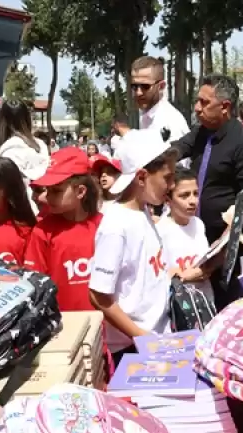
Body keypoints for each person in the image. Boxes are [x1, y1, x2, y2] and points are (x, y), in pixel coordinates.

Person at [171, 74, 243, 309]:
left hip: (224, 260)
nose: (196, 108)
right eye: (197, 101)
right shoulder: (201, 132)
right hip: (191, 246)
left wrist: (210, 265)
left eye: (204, 102)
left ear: (225, 107)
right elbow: (176, 150)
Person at [89, 129, 178, 367]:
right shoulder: (116, 226)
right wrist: (142, 337)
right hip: (134, 349)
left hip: (159, 338)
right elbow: (98, 295)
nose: (171, 185)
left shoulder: (143, 211)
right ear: (141, 178)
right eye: (167, 178)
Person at [26, 148, 102, 311]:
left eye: (56, 191)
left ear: (81, 191)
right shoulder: (42, 231)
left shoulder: (104, 226)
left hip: (105, 327)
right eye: (48, 190)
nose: (48, 197)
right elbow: (34, 284)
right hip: (62, 327)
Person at [158, 169, 215, 304]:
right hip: (180, 306)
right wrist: (185, 276)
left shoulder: (198, 224)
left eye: (195, 194)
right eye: (184, 196)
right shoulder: (160, 232)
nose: (193, 201)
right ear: (167, 200)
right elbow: (160, 277)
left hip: (205, 301)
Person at [0, 98, 50, 214]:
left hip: (22, 212)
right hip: (44, 207)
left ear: (3, 121)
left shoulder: (8, 150)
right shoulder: (40, 144)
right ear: (27, 118)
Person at [132, 56, 191, 146]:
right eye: (134, 86)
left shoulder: (171, 123)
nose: (138, 92)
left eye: (145, 86)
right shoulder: (145, 114)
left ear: (161, 86)